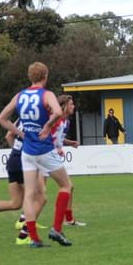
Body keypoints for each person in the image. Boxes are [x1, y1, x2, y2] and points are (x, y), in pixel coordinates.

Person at [0, 61, 74, 248]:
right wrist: (47, 126)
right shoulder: (46, 94)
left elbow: (2, 119)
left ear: (30, 77)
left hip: (27, 151)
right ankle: (57, 229)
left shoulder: (20, 95)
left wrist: (21, 133)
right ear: (45, 76)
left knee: (29, 195)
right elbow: (58, 112)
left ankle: (34, 239)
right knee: (66, 186)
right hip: (44, 149)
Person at [52, 95, 85, 227]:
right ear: (64, 106)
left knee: (68, 187)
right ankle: (63, 222)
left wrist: (70, 143)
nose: (73, 106)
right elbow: (47, 135)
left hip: (52, 156)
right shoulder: (56, 120)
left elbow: (59, 139)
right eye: (71, 104)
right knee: (39, 193)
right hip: (47, 155)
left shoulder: (66, 122)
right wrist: (56, 148)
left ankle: (69, 219)